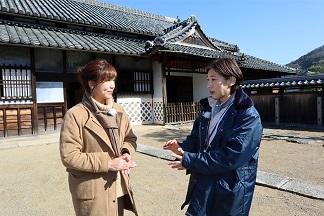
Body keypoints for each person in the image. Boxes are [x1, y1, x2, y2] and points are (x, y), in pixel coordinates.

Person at [163, 58, 263, 216]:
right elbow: (197, 140)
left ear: (231, 80)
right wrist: (182, 148)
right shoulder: (209, 108)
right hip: (205, 180)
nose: (209, 85)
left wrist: (191, 160)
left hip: (231, 187)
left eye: (214, 79)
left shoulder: (247, 115)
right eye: (207, 79)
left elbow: (232, 156)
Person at [60, 59, 138, 216]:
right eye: (107, 80)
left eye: (113, 80)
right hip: (93, 190)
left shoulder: (118, 110)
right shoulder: (75, 115)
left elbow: (130, 138)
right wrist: (108, 163)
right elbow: (69, 156)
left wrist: (126, 153)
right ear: (91, 83)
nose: (112, 85)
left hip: (118, 185)